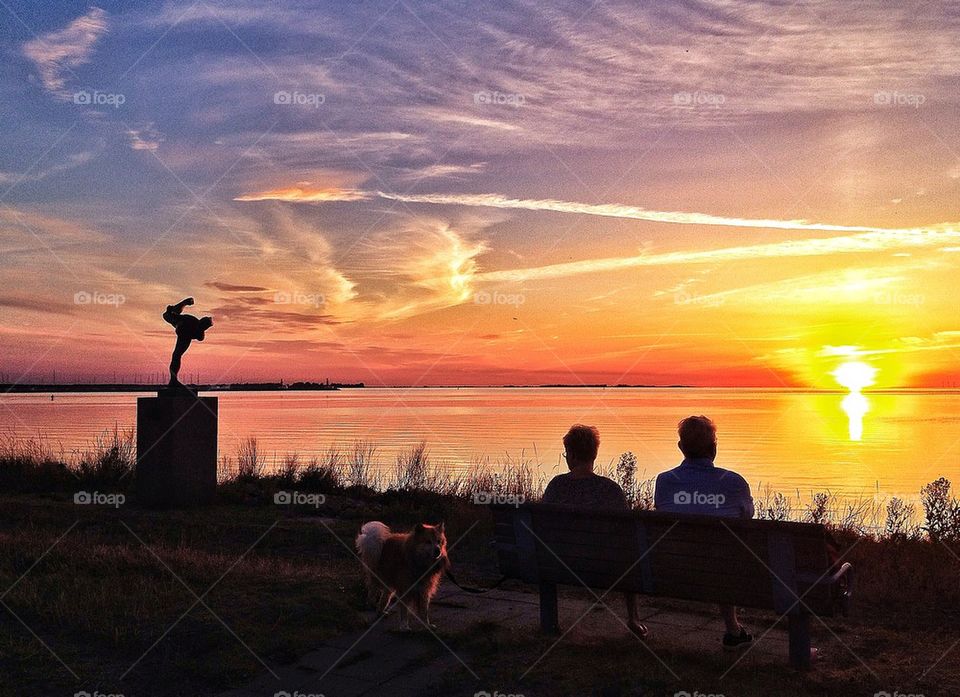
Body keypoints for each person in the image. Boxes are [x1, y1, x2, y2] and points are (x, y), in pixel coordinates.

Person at [654, 415, 755, 650]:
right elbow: (746, 517)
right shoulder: (734, 482)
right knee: (723, 555)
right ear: (714, 448)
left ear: (681, 448)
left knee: (715, 554)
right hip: (724, 572)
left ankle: (733, 629)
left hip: (671, 569)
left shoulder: (664, 482)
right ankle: (732, 630)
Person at [542, 424, 648, 639]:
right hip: (605, 566)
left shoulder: (555, 486)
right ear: (594, 454)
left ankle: (548, 622)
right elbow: (626, 535)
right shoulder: (610, 489)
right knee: (631, 553)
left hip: (559, 564)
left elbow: (544, 527)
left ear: (570, 455)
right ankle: (633, 619)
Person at [163, 297, 212, 387]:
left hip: (184, 337)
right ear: (200, 321)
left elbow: (200, 338)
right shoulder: (190, 320)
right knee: (167, 314)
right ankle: (184, 303)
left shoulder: (200, 334)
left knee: (176, 356)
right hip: (178, 323)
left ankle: (173, 380)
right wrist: (171, 310)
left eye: (205, 327)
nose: (202, 327)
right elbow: (173, 315)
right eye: (203, 325)